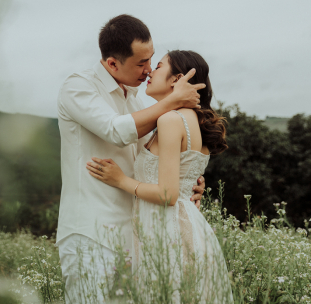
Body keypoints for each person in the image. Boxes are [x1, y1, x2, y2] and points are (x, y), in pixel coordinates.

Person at [56, 15, 207, 303]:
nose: (148, 70)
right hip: (91, 233)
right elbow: (115, 130)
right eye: (141, 63)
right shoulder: (78, 87)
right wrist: (172, 101)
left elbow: (149, 162)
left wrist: (187, 181)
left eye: (151, 60)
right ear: (112, 63)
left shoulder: (137, 102)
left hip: (136, 236)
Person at [87, 50, 234, 303]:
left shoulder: (170, 120)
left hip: (168, 230)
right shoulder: (196, 120)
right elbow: (185, 176)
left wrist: (120, 180)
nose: (150, 72)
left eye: (158, 66)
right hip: (188, 226)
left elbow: (168, 194)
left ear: (176, 79)